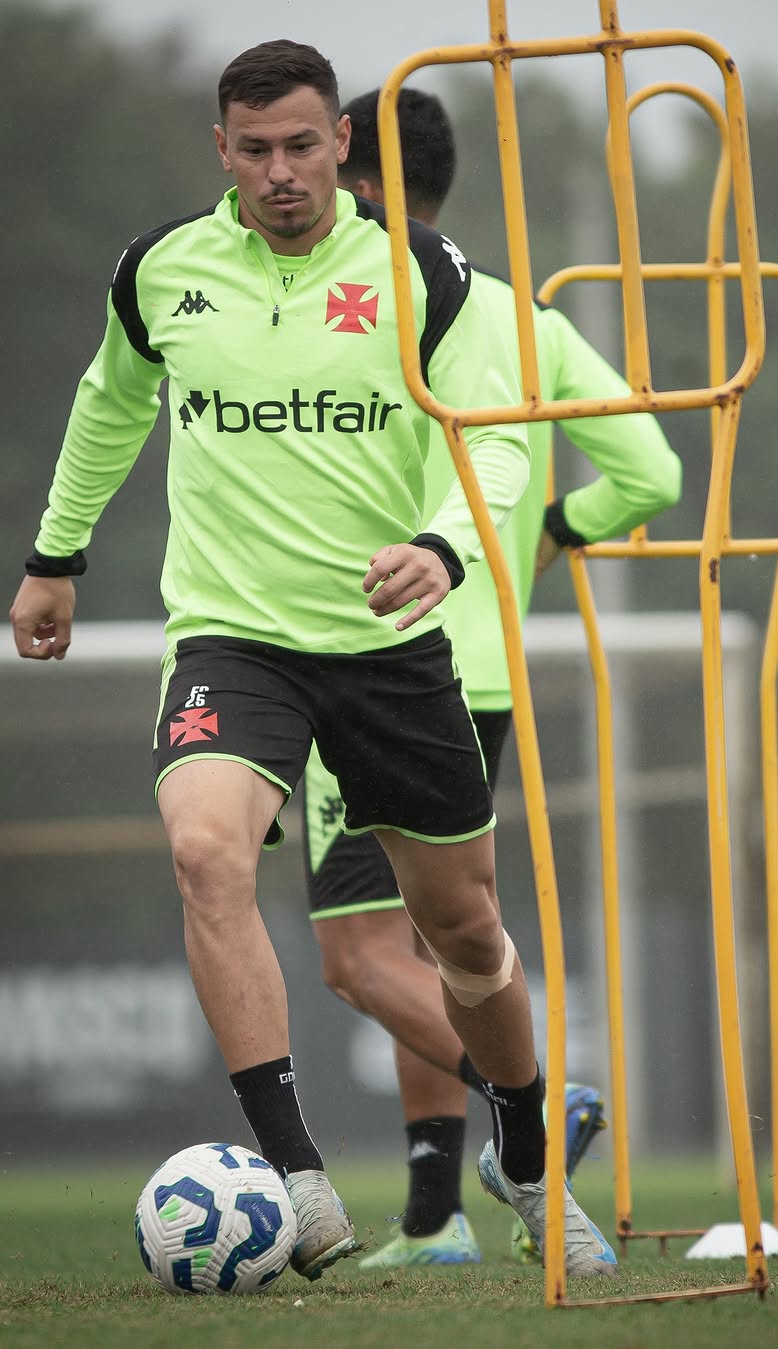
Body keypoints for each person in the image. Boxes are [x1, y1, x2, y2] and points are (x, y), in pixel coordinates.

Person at [8, 40, 618, 1283]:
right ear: (221, 150)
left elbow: (500, 445)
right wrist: (55, 555)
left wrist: (444, 546)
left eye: (302, 145)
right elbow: (110, 403)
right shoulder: (160, 270)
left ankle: (525, 1150)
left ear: (342, 142)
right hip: (232, 636)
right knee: (204, 851)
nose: (281, 171)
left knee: (465, 931)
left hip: (389, 645)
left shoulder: (426, 273)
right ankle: (295, 1174)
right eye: (255, 149)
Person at [299, 87, 683, 1268]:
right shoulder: (525, 315)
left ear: (361, 178)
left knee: (360, 958)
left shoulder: (351, 304)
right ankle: (435, 1216)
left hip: (373, 655)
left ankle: (539, 1104)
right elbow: (653, 471)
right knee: (439, 945)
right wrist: (556, 529)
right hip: (485, 673)